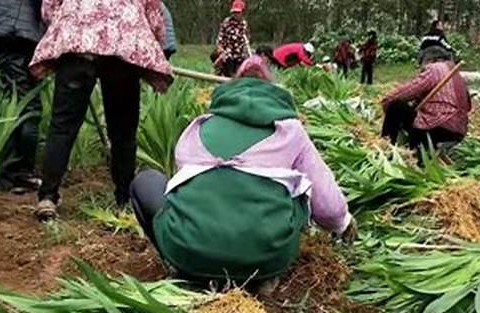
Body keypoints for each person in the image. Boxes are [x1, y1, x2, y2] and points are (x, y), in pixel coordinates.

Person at [129, 56, 354, 286]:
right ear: (273, 94)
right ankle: (263, 279)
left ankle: (179, 265)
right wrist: (343, 224)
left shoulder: (198, 127)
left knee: (147, 181)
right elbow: (328, 208)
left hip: (191, 255)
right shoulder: (291, 131)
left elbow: (182, 192)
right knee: (301, 190)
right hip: (264, 262)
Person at [30, 0, 172, 221]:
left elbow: (49, 7)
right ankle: (124, 199)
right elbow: (154, 15)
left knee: (62, 126)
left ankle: (47, 196)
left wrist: (69, 25)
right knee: (123, 131)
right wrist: (154, 44)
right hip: (122, 47)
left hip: (76, 45)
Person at [0, 0, 46, 194]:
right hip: (15, 33)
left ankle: (11, 172)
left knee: (14, 102)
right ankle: (18, 175)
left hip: (0, 28)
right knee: (28, 108)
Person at [381, 46, 471, 159]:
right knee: (410, 112)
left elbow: (409, 90)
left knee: (396, 105)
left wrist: (386, 102)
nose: (421, 69)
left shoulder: (434, 68)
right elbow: (468, 106)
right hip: (457, 133)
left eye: (421, 64)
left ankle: (387, 147)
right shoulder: (456, 74)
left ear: (430, 60)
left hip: (437, 127)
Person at [215, 0, 251, 77]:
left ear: (242, 12)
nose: (236, 15)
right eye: (234, 12)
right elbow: (220, 38)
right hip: (227, 52)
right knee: (227, 66)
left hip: (240, 53)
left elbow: (246, 40)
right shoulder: (226, 22)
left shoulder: (244, 24)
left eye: (238, 12)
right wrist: (220, 49)